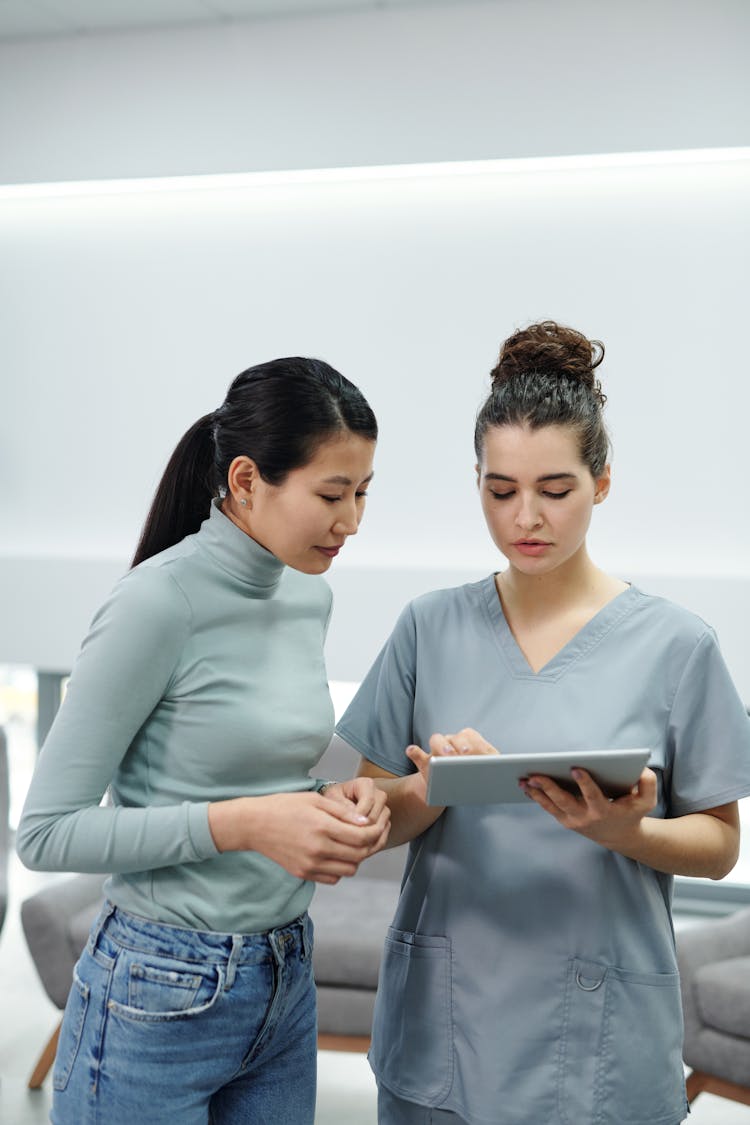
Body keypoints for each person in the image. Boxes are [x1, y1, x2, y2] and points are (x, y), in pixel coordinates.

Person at [335, 322, 750, 1125]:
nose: (526, 517)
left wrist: (624, 829)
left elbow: (721, 844)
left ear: (602, 481)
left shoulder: (678, 646)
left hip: (600, 1034)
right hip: (445, 1027)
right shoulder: (428, 627)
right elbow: (371, 816)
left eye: (555, 490)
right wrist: (428, 789)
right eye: (500, 490)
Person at [17, 356, 390, 1125]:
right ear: (248, 480)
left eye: (361, 493)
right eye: (331, 494)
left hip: (283, 978)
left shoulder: (307, 595)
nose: (351, 520)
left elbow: (256, 769)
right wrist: (249, 823)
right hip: (156, 986)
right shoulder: (157, 603)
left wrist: (332, 801)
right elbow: (45, 833)